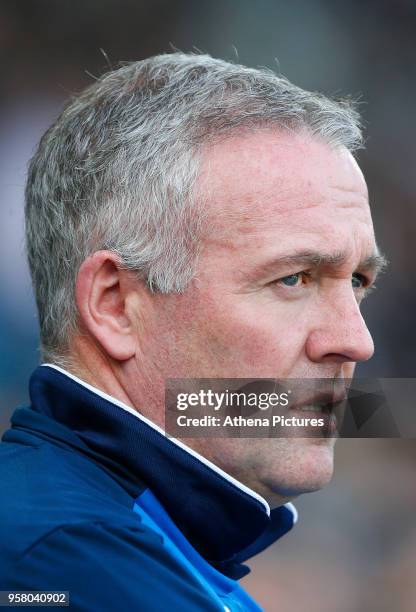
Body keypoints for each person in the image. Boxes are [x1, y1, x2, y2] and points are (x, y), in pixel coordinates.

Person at [0, 52, 385, 610]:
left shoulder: (147, 548)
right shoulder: (61, 565)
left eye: (358, 282)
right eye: (293, 278)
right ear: (114, 306)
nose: (357, 340)